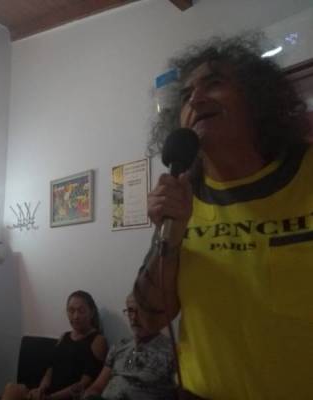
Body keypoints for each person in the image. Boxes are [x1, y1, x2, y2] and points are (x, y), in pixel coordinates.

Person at [134, 33, 312, 400]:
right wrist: (170, 237)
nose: (196, 99)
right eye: (186, 95)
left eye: (214, 83)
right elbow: (146, 322)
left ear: (257, 98)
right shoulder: (183, 197)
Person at [2, 290, 108, 400]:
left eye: (81, 311)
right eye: (71, 311)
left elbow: (84, 384)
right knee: (11, 388)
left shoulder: (98, 341)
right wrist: (41, 389)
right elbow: (50, 369)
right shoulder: (64, 336)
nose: (75, 316)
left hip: (67, 397)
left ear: (91, 312)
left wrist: (51, 397)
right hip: (48, 393)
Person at [83, 293, 176, 400]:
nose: (134, 317)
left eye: (140, 311)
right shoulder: (119, 346)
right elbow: (97, 386)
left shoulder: (171, 352)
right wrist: (89, 395)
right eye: (130, 310)